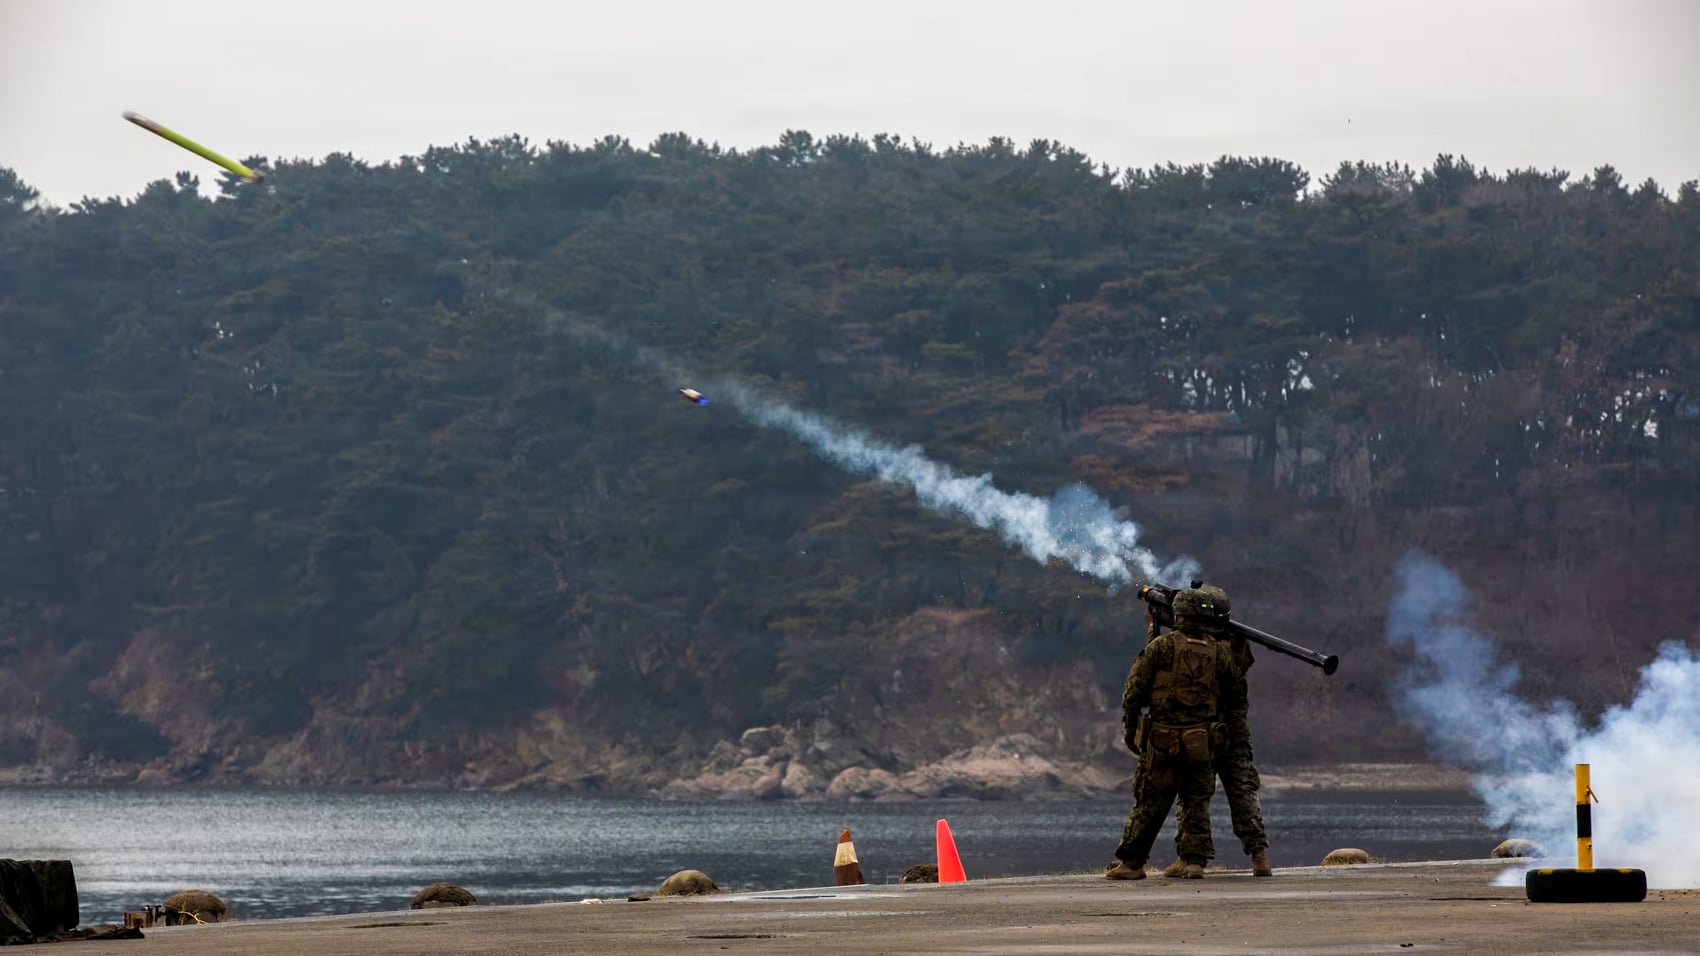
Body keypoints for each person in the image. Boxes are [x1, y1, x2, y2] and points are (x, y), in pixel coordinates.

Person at [1106, 588, 1246, 880]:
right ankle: (1192, 861)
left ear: (1178, 615)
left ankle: (1132, 863)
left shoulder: (1161, 646)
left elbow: (1134, 691)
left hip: (1162, 740)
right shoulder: (1220, 651)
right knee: (1196, 802)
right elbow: (1236, 696)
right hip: (1202, 740)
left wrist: (1130, 729)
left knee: (1149, 801)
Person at [1196, 585, 1274, 877]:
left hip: (1203, 728)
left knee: (1195, 793)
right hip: (1235, 728)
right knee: (1243, 791)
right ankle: (1259, 855)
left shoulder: (1200, 648)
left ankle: (1194, 858)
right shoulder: (1237, 642)